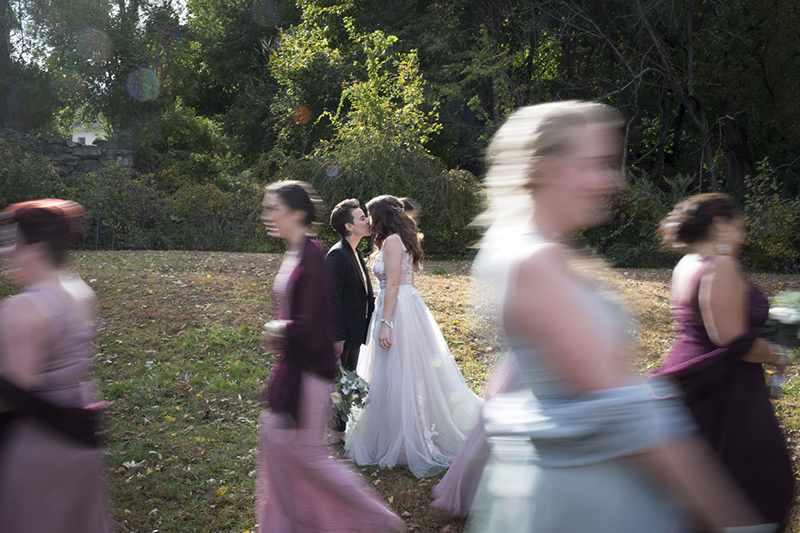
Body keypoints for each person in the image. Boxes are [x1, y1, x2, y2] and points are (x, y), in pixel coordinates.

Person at [465, 101, 774, 532]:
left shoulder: (517, 246)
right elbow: (630, 421)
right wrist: (733, 523)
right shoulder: (536, 263)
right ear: (544, 168)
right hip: (590, 498)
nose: (612, 180)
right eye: (594, 164)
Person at [256, 181, 401, 533]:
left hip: (308, 374)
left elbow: (312, 321)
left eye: (274, 208)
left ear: (296, 212)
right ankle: (285, 521)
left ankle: (374, 519)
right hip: (294, 369)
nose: (268, 216)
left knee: (307, 456)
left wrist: (279, 329)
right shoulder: (297, 252)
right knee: (279, 451)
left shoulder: (313, 255)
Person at [653, 193, 794, 531]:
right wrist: (780, 353)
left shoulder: (687, 263)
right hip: (725, 389)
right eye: (738, 226)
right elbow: (733, 342)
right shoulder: (721, 265)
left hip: (693, 377)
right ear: (720, 224)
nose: (742, 235)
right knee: (758, 483)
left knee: (705, 480)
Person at [344, 195, 483, 479]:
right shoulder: (390, 239)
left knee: (402, 370)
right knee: (392, 372)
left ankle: (409, 439)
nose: (368, 220)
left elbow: (393, 284)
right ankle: (395, 432)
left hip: (398, 310)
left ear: (381, 215)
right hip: (395, 304)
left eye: (370, 214)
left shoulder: (393, 241)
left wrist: (386, 323)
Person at [0, 199, 110, 533]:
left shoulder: (24, 307)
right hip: (78, 445)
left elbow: (11, 396)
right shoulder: (79, 292)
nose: (8, 252)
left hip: (36, 452)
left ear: (37, 248)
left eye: (13, 242)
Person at [326, 198, 375, 442]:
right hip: (342, 334)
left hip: (356, 330)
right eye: (362, 218)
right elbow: (330, 300)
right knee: (338, 384)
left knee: (346, 381)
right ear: (349, 226)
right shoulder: (337, 256)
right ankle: (334, 434)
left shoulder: (356, 252)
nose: (367, 221)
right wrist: (338, 337)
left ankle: (338, 431)